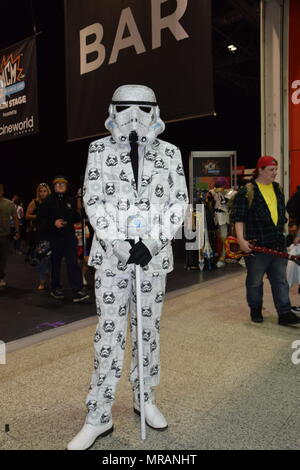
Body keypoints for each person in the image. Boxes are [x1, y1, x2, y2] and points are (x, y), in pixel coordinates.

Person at [67, 84, 189, 450]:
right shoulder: (99, 150)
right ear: (113, 109)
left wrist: (151, 243)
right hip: (111, 258)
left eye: (142, 108)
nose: (133, 116)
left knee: (148, 331)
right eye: (125, 108)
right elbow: (92, 199)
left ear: (154, 110)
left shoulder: (170, 153)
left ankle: (145, 398)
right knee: (109, 333)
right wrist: (119, 245)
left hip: (152, 259)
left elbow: (178, 201)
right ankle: (98, 414)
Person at [232, 155, 300, 326]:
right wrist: (241, 240)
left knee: (280, 280)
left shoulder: (277, 189)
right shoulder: (247, 191)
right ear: (260, 170)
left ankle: (284, 313)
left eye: (276, 169)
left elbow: (280, 215)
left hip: (277, 244)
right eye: (271, 170)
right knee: (255, 281)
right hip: (256, 247)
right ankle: (256, 310)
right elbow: (239, 218)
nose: (275, 173)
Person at [39, 176, 89, 302]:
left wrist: (80, 207)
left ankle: (77, 290)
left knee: (73, 262)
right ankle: (56, 288)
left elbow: (77, 218)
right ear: (54, 187)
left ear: (66, 187)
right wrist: (53, 223)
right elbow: (41, 220)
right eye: (57, 184)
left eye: (63, 184)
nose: (60, 186)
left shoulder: (70, 200)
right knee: (55, 263)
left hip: (69, 237)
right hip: (54, 237)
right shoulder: (48, 201)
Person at [25, 183, 52, 290]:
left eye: (44, 191)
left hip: (51, 233)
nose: (42, 193)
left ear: (48, 191)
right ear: (38, 192)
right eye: (40, 191)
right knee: (41, 258)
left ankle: (50, 279)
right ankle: (42, 281)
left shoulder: (51, 202)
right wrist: (38, 216)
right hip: (40, 233)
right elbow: (27, 216)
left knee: (51, 258)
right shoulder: (35, 202)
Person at [0, 184, 19, 287]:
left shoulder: (9, 203)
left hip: (4, 235)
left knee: (2, 258)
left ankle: (1, 277)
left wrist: (17, 231)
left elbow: (15, 217)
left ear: (2, 191)